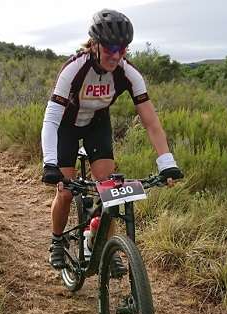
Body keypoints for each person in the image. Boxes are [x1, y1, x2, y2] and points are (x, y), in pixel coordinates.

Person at [40, 9, 183, 270]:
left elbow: (151, 121)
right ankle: (57, 241)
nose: (116, 55)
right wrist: (49, 162)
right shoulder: (74, 69)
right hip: (66, 127)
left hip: (97, 123)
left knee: (110, 190)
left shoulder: (129, 73)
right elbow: (51, 119)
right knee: (66, 191)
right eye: (109, 48)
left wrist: (167, 161)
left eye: (122, 48)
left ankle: (102, 242)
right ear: (94, 44)